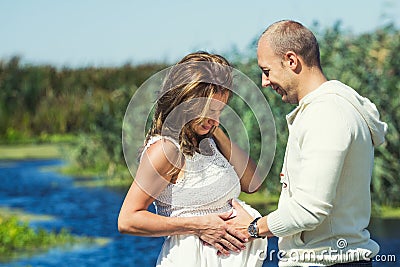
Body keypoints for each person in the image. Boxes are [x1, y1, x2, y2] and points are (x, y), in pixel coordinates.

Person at [226, 20, 388, 266]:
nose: (264, 82)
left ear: (292, 61)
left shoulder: (326, 114)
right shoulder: (330, 109)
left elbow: (310, 209)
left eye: (267, 71)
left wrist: (251, 228)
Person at [118, 51, 268, 267]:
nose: (215, 119)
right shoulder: (166, 150)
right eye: (209, 110)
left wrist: (214, 130)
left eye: (220, 111)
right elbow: (128, 220)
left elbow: (253, 183)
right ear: (185, 101)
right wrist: (199, 225)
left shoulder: (207, 141)